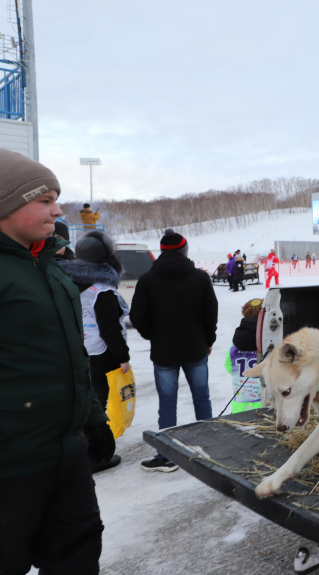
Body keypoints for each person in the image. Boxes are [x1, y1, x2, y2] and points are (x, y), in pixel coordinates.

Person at [0, 149, 114, 574]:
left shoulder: (48, 266)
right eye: (45, 200)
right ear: (7, 203)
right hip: (11, 463)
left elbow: (70, 356)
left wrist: (92, 419)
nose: (58, 209)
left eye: (57, 198)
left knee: (78, 556)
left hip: (66, 454)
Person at [130, 228, 218, 473]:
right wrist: (207, 339)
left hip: (164, 351)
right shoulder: (200, 278)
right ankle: (210, 450)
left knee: (167, 405)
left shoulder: (147, 279)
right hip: (195, 348)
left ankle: (166, 456)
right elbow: (210, 313)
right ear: (185, 250)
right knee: (202, 398)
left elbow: (137, 315)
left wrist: (153, 335)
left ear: (162, 252)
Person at [60, 230, 131, 473]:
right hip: (100, 355)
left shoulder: (67, 282)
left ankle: (79, 451)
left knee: (81, 402)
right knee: (96, 406)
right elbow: (110, 329)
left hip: (76, 351)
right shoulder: (102, 290)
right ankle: (93, 456)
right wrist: (123, 357)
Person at [224, 298, 263, 413]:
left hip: (240, 402)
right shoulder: (267, 342)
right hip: (263, 402)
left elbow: (228, 364)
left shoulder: (235, 344)